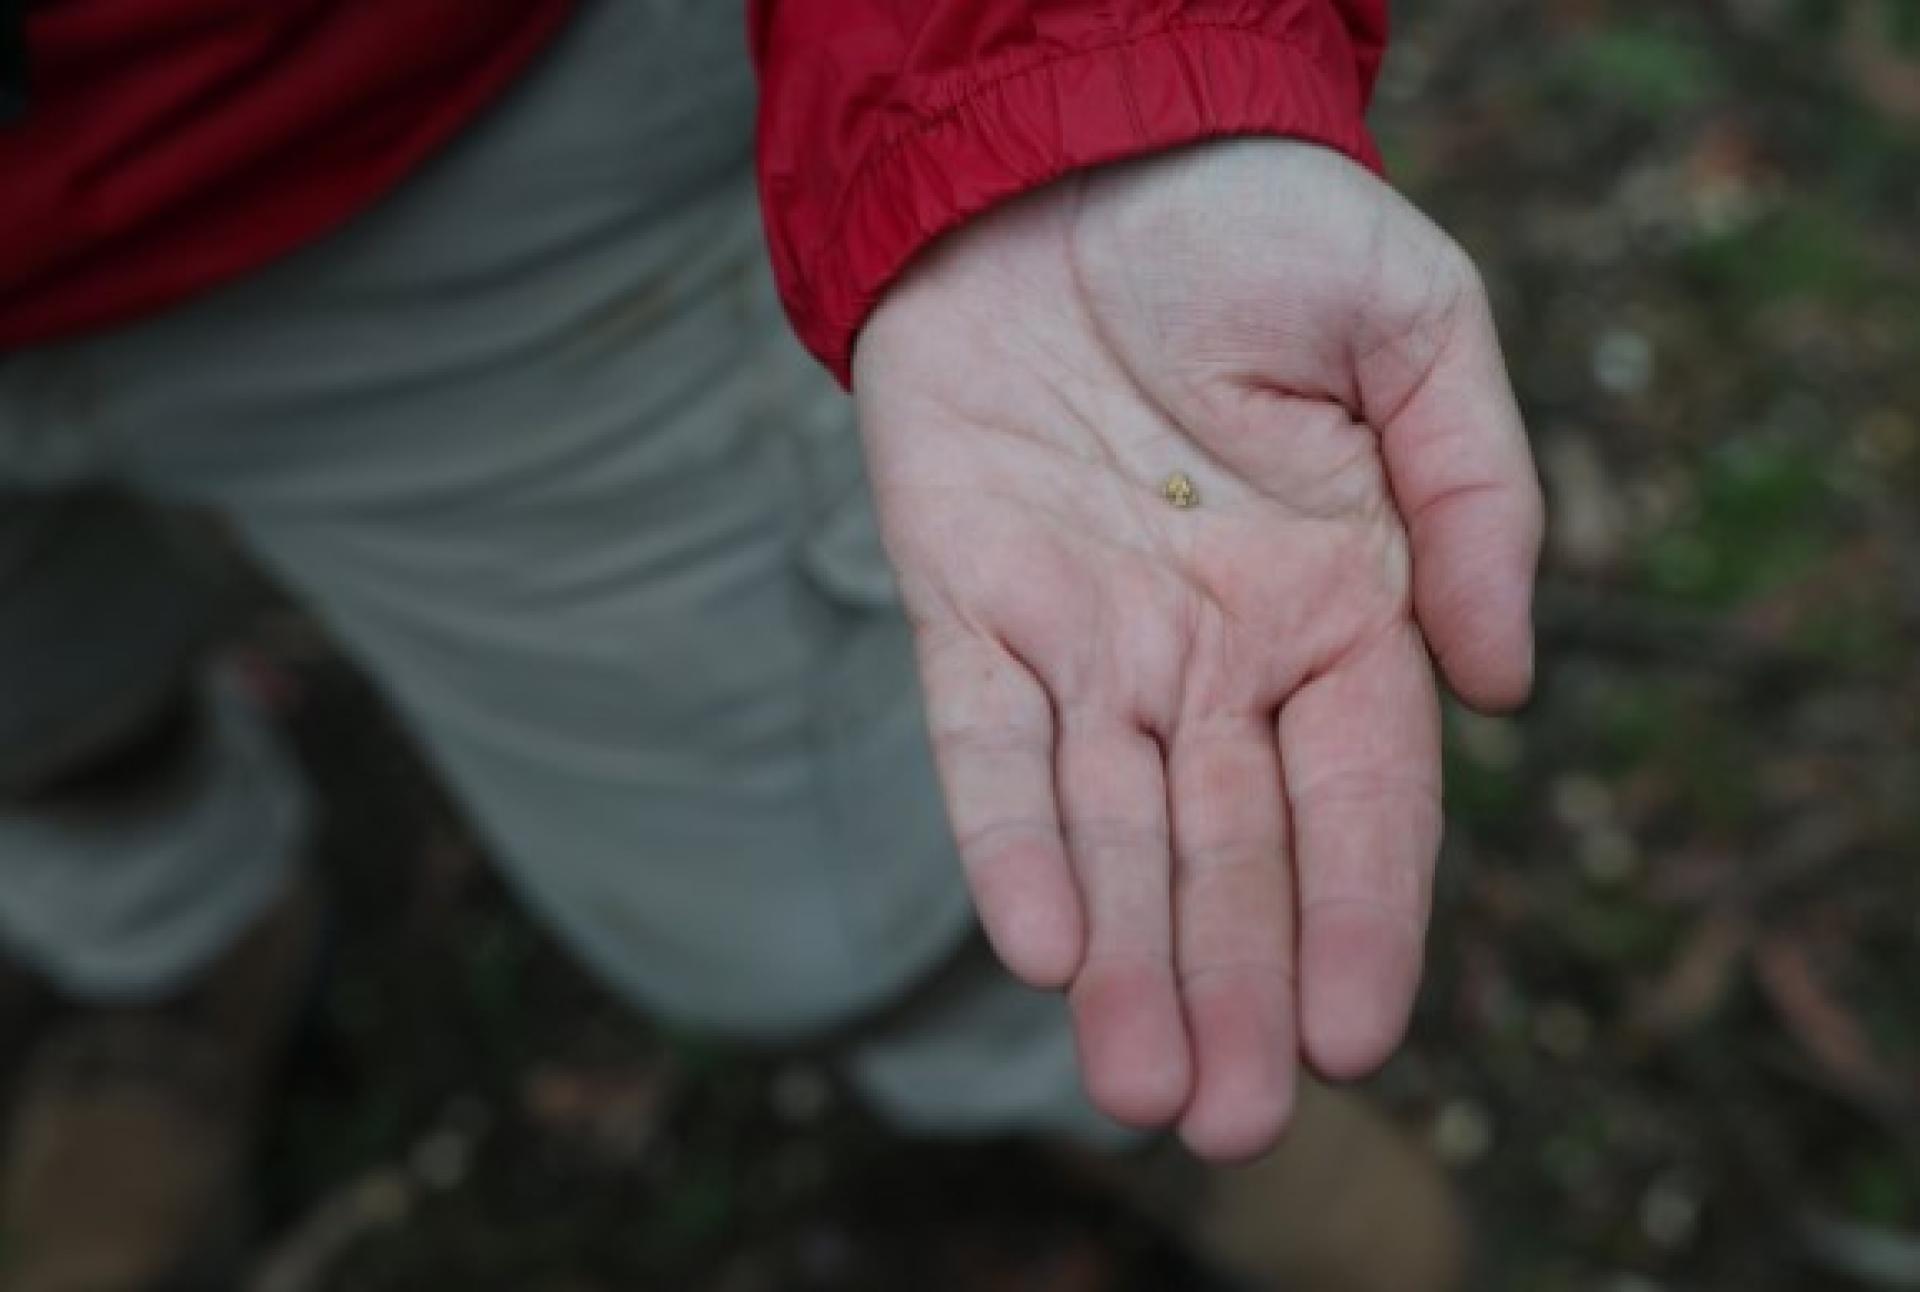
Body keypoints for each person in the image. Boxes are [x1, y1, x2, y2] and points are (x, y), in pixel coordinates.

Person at [0, 1, 1544, 1287]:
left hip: (419, 124)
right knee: (41, 704)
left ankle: (1044, 1066)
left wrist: (1077, 77)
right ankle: (166, 947)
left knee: (809, 829)